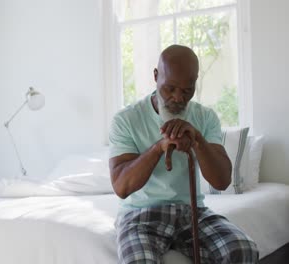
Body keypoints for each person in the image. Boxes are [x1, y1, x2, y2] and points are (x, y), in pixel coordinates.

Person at [109, 44, 259, 263]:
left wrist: (197, 140)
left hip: (192, 212)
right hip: (140, 215)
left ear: (195, 83)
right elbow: (121, 188)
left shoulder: (205, 117)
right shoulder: (126, 120)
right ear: (155, 76)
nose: (178, 98)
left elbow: (221, 181)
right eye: (170, 88)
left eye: (187, 90)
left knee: (242, 250)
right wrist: (159, 147)